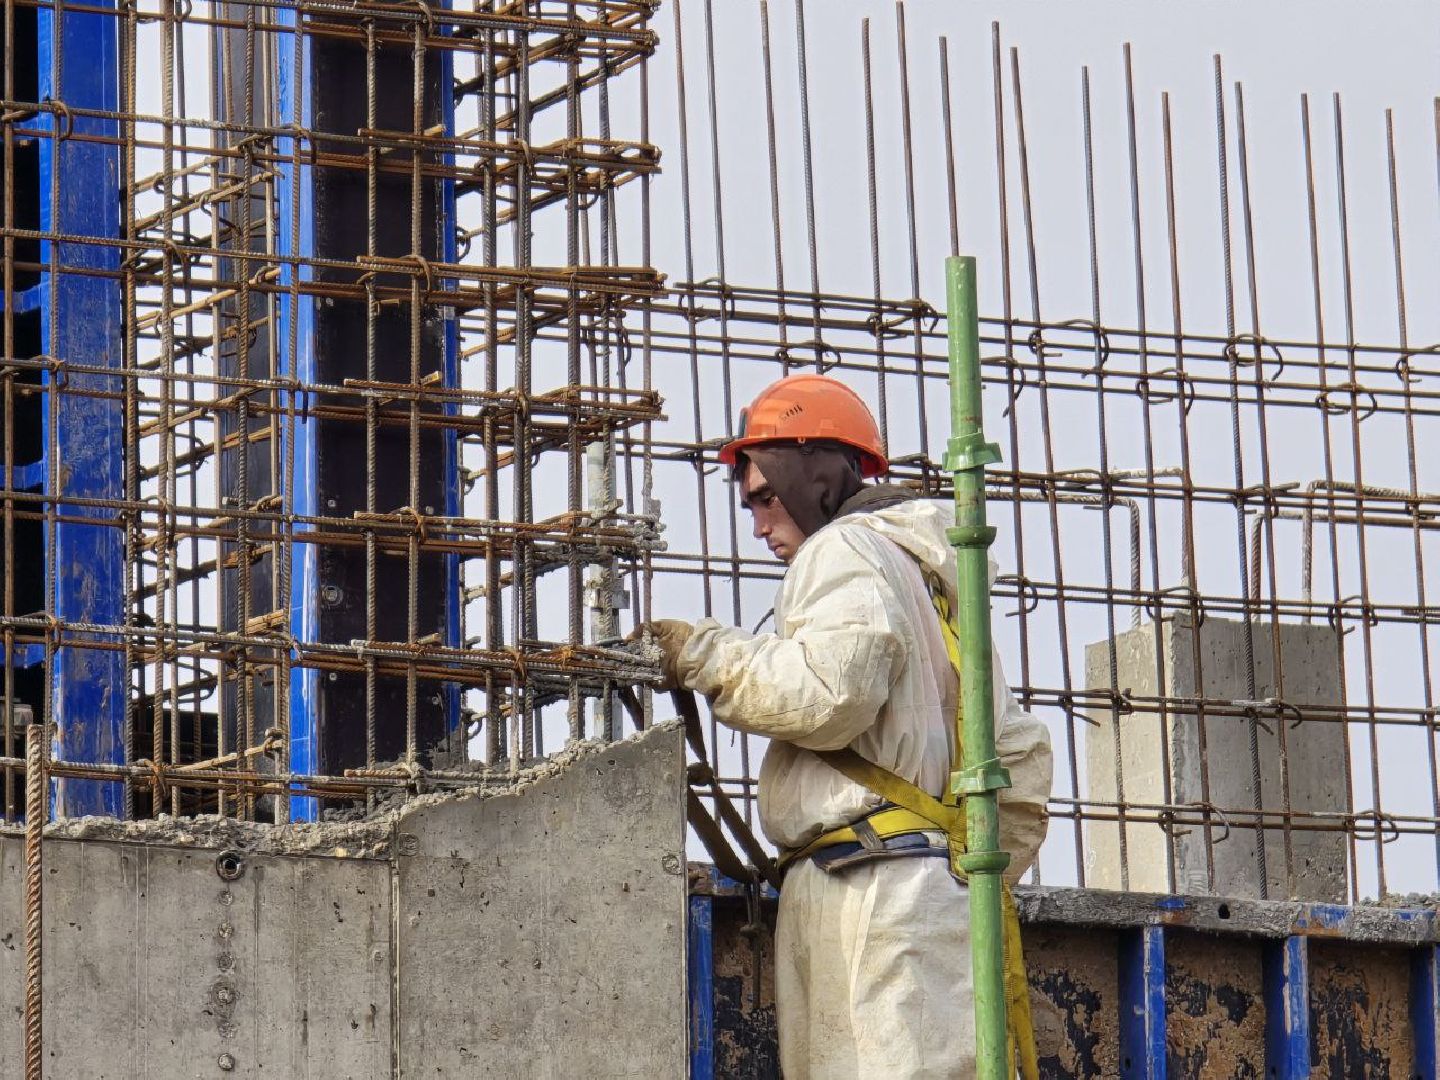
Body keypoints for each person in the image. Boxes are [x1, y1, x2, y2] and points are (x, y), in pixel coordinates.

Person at [645, 373, 1052, 1079]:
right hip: (933, 893)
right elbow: (1019, 759)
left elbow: (832, 694)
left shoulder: (844, 551)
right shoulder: (937, 579)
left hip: (873, 894)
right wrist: (960, 873)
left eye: (767, 496)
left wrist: (704, 656)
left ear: (817, 474)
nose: (760, 524)